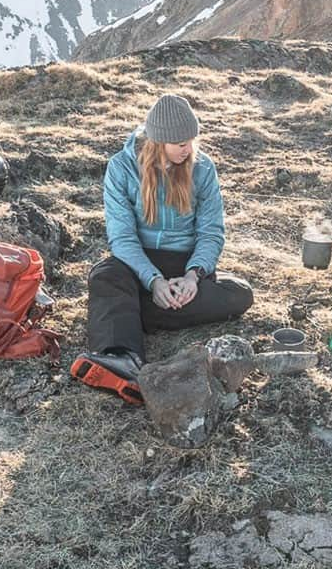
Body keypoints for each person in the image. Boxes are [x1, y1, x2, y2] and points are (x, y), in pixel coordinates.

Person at [72, 94, 253, 401]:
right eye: (180, 143)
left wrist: (194, 276)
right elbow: (122, 238)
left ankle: (126, 313)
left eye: (191, 141)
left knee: (240, 293)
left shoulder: (203, 169)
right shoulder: (121, 168)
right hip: (138, 262)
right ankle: (123, 358)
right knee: (104, 274)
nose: (188, 149)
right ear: (159, 141)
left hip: (185, 264)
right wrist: (153, 280)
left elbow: (211, 232)